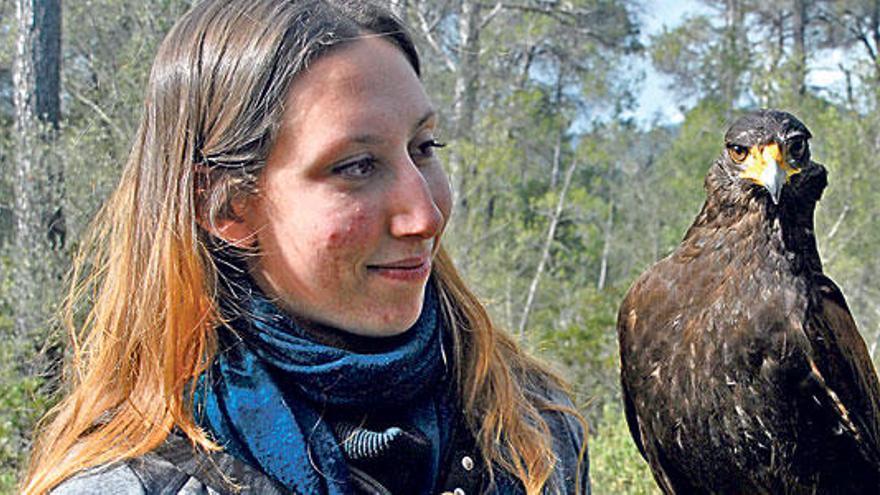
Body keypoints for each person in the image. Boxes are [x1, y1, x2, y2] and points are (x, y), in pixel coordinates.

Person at [23, 1, 589, 494]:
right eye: (357, 166)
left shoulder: (534, 431)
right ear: (226, 208)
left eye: (423, 147)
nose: (425, 216)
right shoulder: (133, 484)